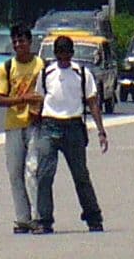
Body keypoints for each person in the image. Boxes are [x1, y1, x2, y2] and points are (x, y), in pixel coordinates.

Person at [32, 33, 105, 234]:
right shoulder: (46, 73)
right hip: (49, 125)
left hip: (74, 127)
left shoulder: (82, 73)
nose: (64, 59)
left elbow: (92, 102)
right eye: (60, 55)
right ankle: (44, 220)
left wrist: (101, 131)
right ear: (55, 55)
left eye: (67, 55)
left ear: (72, 54)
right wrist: (34, 121)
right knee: (44, 175)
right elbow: (39, 99)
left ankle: (93, 217)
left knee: (81, 175)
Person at [0, 25, 45, 236]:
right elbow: (0, 98)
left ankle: (37, 217)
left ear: (29, 42)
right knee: (15, 173)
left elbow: (48, 92)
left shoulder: (41, 65)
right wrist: (22, 99)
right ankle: (22, 218)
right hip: (14, 124)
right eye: (14, 42)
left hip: (35, 123)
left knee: (32, 171)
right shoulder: (6, 67)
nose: (18, 45)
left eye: (21, 41)